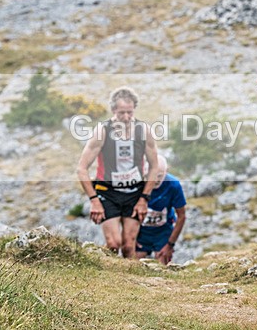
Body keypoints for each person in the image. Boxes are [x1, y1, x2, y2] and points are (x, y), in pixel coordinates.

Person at [77, 87, 159, 258]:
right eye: (122, 113)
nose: (127, 117)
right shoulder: (102, 131)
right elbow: (82, 168)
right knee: (113, 244)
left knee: (129, 247)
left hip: (135, 193)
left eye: (130, 112)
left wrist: (144, 198)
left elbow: (154, 167)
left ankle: (130, 283)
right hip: (108, 192)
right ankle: (110, 280)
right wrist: (94, 200)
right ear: (113, 110)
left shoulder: (143, 131)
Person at [136, 155, 187, 265]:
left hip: (163, 231)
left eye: (159, 176)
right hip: (141, 231)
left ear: (166, 171)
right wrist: (131, 238)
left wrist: (170, 244)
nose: (155, 180)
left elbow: (181, 216)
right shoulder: (137, 183)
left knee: (162, 262)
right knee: (135, 263)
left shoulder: (173, 185)